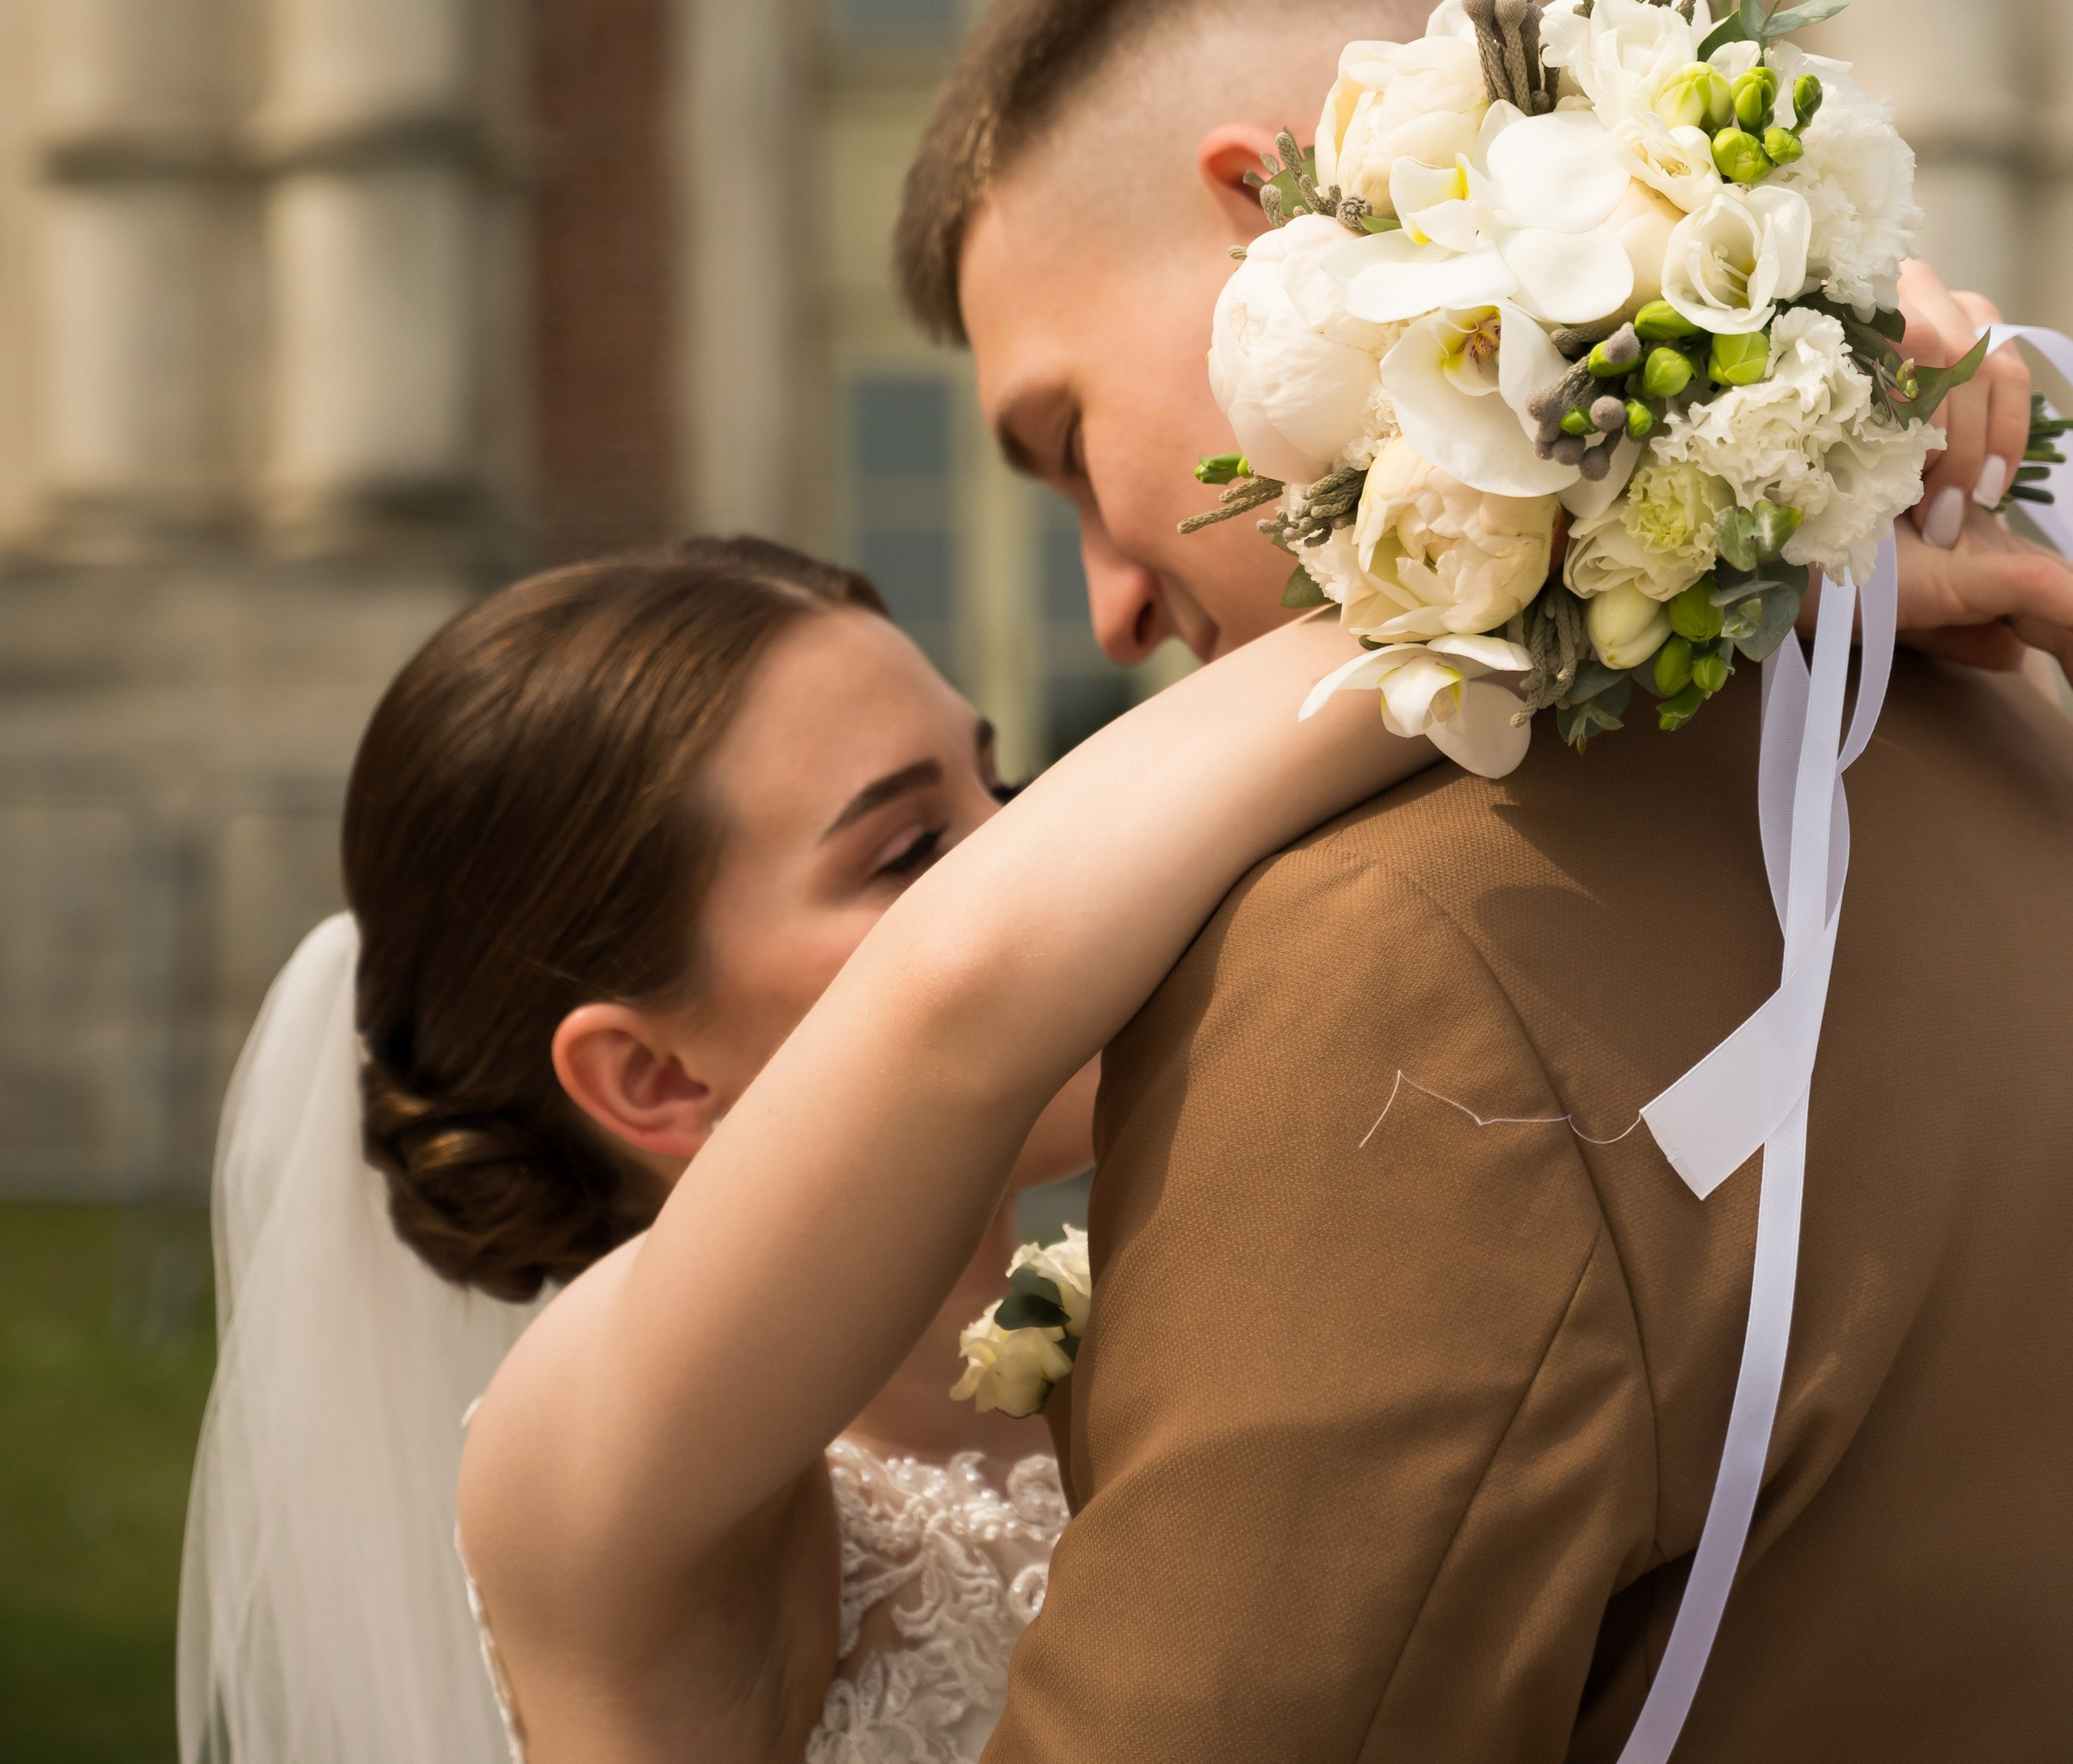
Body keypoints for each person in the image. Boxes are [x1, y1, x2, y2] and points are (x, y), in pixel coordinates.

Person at [889, 0, 2073, 1758]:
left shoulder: (1395, 959)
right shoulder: (2003, 728)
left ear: (1267, 224)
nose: (1106, 601)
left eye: (1063, 440)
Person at [179, 533, 1441, 1764]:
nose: (1024, 854)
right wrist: (1471, 569)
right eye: (909, 851)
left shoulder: (1173, 1327)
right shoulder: (584, 1467)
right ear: (657, 1078)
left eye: (998, 787)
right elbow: (962, 997)